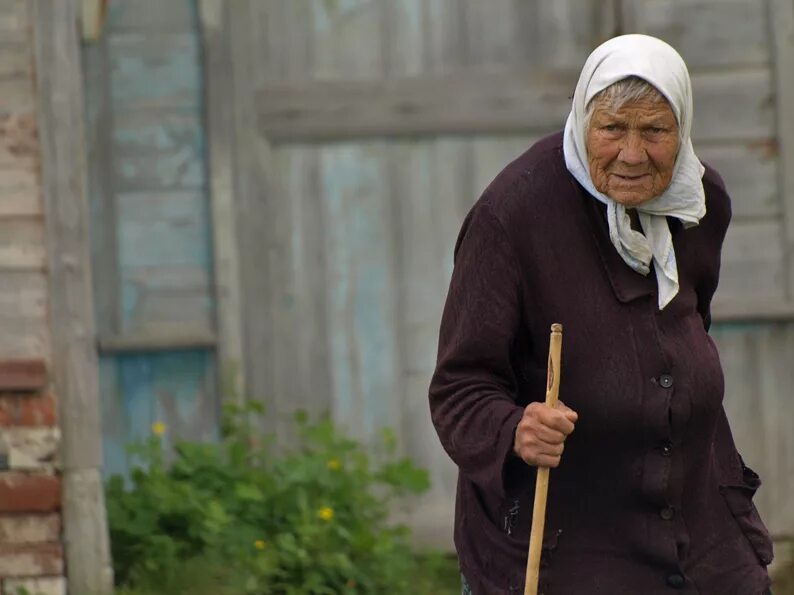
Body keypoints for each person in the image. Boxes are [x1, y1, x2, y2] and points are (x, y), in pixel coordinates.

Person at [429, 34, 774, 595]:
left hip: (698, 538)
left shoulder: (700, 203)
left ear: (682, 126)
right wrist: (514, 429)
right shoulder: (512, 215)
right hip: (566, 551)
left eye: (655, 131)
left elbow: (690, 327)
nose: (633, 154)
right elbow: (459, 388)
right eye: (612, 129)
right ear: (582, 119)